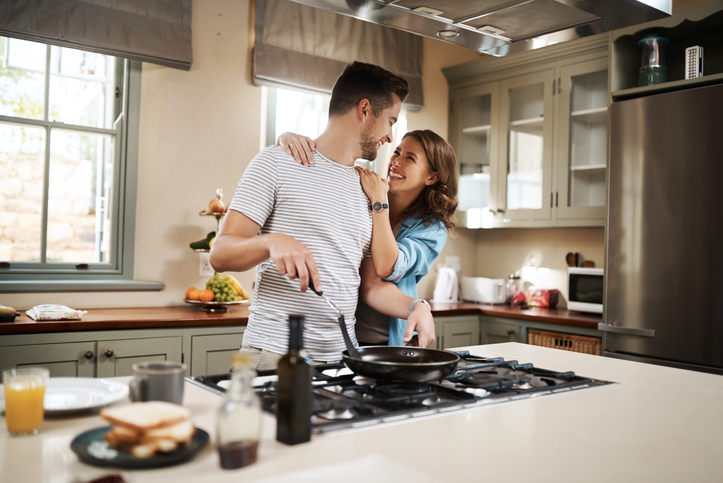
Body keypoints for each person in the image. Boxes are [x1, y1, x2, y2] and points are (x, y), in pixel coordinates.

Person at [209, 61, 435, 370]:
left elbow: (370, 286)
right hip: (274, 357)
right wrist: (271, 243)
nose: (390, 137)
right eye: (391, 121)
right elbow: (220, 254)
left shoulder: (369, 189)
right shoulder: (276, 163)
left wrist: (416, 306)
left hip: (343, 361)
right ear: (365, 110)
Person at [278, 129, 458, 346]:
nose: (396, 162)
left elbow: (387, 267)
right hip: (341, 340)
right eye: (397, 152)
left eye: (410, 158)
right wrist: (286, 138)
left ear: (431, 177)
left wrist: (379, 203)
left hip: (386, 342)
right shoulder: (366, 192)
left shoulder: (430, 227)